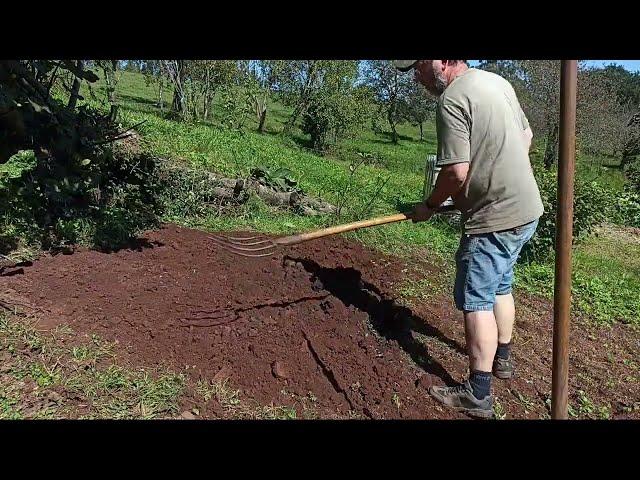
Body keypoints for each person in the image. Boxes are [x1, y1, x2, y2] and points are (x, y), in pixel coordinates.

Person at [393, 60, 543, 419]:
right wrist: (498, 175)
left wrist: (430, 205)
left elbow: (456, 173)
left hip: (494, 220)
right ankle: (502, 360)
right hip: (526, 210)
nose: (417, 75)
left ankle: (478, 393)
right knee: (500, 284)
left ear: (443, 60)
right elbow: (527, 136)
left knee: (476, 299)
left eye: (418, 65)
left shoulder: (452, 100)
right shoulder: (496, 81)